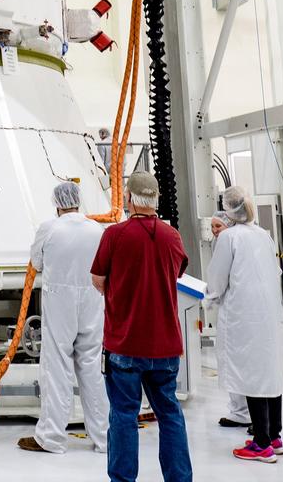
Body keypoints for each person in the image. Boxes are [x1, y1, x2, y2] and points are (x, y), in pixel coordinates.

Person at [90, 170, 192, 482]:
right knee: (170, 413)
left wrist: (121, 289)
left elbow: (97, 280)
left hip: (125, 344)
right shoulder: (172, 236)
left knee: (123, 415)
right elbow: (176, 273)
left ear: (129, 199)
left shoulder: (114, 236)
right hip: (165, 346)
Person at [18, 180, 109, 455]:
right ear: (78, 201)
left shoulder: (49, 228)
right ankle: (105, 438)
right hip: (93, 301)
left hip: (60, 303)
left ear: (57, 204)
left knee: (57, 366)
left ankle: (52, 437)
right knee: (92, 366)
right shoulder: (97, 229)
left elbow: (37, 262)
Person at [206, 186, 283, 464]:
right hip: (269, 314)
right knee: (269, 373)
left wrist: (209, 301)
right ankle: (274, 436)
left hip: (243, 316)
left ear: (228, 209)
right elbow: (274, 271)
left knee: (252, 377)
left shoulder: (230, 237)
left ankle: (261, 444)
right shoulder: (264, 235)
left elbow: (217, 278)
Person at [210, 210, 251, 431]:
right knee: (234, 361)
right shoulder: (250, 238)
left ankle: (245, 413)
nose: (215, 231)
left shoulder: (230, 239)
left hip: (237, 310)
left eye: (218, 226)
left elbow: (218, 277)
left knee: (239, 361)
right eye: (212, 227)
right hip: (237, 309)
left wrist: (210, 296)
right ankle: (240, 411)